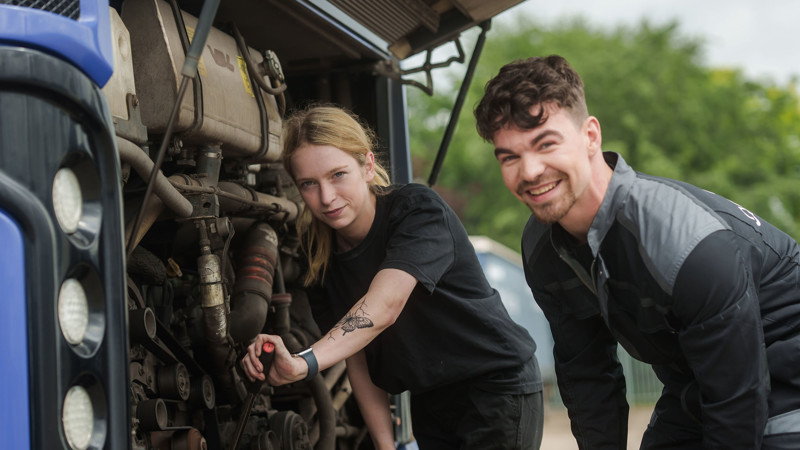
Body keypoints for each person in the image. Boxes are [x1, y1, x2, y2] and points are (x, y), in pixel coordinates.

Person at [474, 54, 800, 450]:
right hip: (697, 382)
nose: (529, 171)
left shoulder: (683, 241)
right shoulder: (542, 247)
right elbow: (587, 376)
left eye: (546, 144)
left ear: (590, 136)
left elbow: (737, 406)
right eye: (510, 157)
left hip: (783, 372)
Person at [241, 105, 544, 449]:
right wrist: (385, 445)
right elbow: (356, 355)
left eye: (338, 175)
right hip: (430, 400)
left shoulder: (416, 211)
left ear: (368, 166)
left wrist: (303, 363)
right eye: (309, 184)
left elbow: (384, 306)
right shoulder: (318, 256)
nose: (326, 197)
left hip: (495, 386)